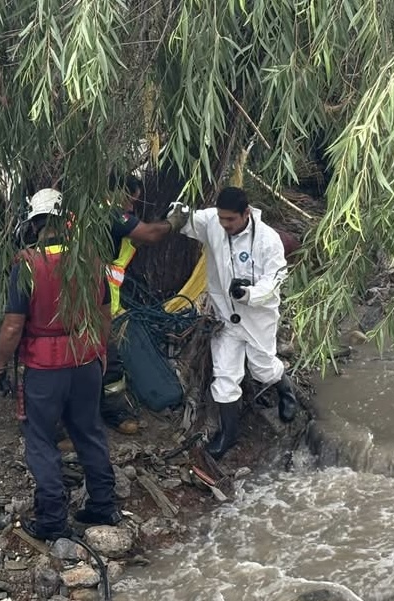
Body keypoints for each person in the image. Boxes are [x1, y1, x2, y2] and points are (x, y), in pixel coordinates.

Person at [0, 188, 121, 540]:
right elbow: (104, 313)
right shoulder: (91, 259)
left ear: (34, 224)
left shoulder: (28, 265)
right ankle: (104, 504)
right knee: (89, 430)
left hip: (45, 368)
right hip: (86, 358)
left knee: (40, 439)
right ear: (66, 222)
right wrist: (100, 351)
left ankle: (52, 519)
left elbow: (13, 326)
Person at [179, 186, 298, 460]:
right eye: (221, 218)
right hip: (225, 317)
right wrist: (175, 213)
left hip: (258, 317)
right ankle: (229, 434)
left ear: (246, 213)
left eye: (230, 219)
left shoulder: (268, 240)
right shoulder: (213, 222)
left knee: (262, 369)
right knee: (225, 374)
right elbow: (186, 218)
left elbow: (275, 280)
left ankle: (285, 389)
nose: (225, 224)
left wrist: (248, 294)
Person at [102, 175, 189, 433]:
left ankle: (96, 411)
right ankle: (113, 414)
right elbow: (149, 234)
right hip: (99, 302)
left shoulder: (90, 215)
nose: (131, 207)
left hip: (88, 300)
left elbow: (131, 237)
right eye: (129, 200)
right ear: (115, 192)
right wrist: (174, 222)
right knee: (109, 360)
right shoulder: (111, 214)